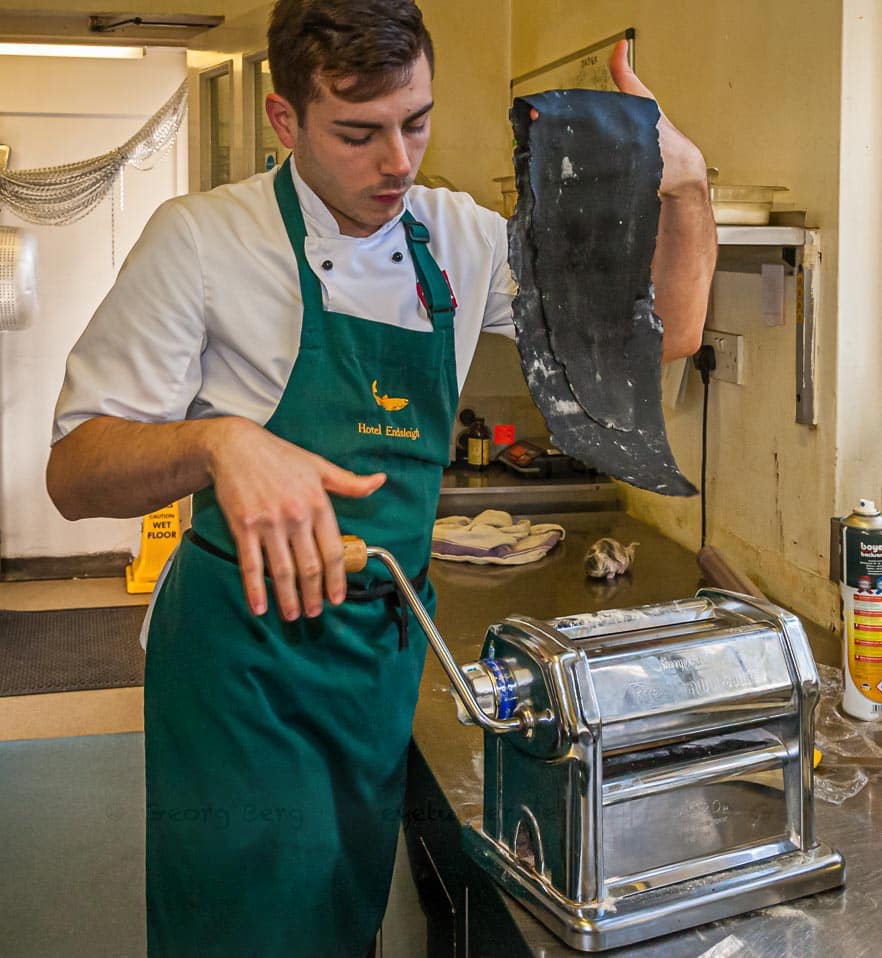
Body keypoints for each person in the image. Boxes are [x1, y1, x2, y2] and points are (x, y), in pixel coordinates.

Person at [46, 1, 714, 955]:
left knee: (340, 924)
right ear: (286, 122)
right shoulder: (201, 243)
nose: (397, 162)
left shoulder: (458, 238)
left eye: (416, 122)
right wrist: (218, 445)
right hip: (244, 667)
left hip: (380, 655)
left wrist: (684, 190)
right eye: (357, 134)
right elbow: (74, 470)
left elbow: (667, 336)